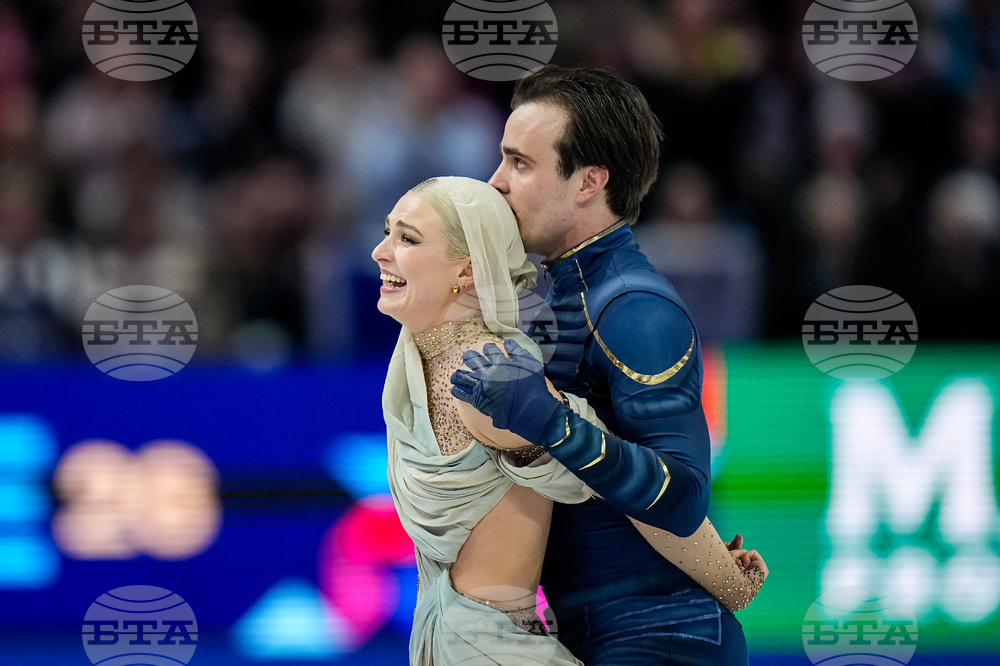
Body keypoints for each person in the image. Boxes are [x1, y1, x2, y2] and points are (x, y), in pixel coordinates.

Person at [375, 176, 765, 665]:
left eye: (406, 238)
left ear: (469, 270)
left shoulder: (488, 376)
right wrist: (730, 578)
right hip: (459, 643)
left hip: (489, 650)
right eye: (388, 232)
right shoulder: (418, 363)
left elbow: (626, 487)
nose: (379, 251)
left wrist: (729, 583)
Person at [450, 65, 755, 664]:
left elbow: (686, 496)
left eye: (520, 163)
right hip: (602, 633)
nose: (496, 182)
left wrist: (550, 422)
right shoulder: (560, 297)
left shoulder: (634, 309)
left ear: (589, 181)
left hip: (665, 637)